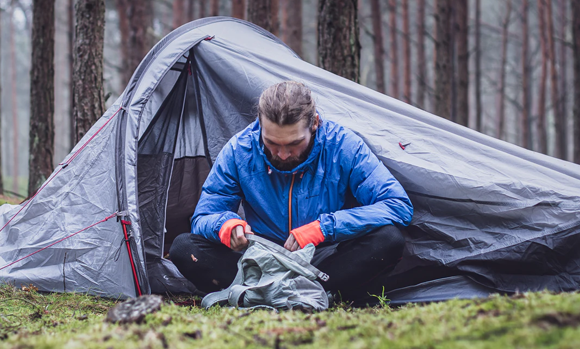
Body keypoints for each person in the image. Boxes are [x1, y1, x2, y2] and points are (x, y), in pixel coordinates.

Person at [168, 80, 413, 304]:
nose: (283, 154)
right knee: (183, 248)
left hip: (322, 261)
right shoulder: (239, 150)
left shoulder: (344, 146)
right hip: (258, 261)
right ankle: (286, 293)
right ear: (259, 126)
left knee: (389, 240)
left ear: (315, 123)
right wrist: (226, 226)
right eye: (272, 143)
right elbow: (204, 216)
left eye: (294, 144)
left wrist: (323, 228)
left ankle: (290, 294)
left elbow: (397, 205)